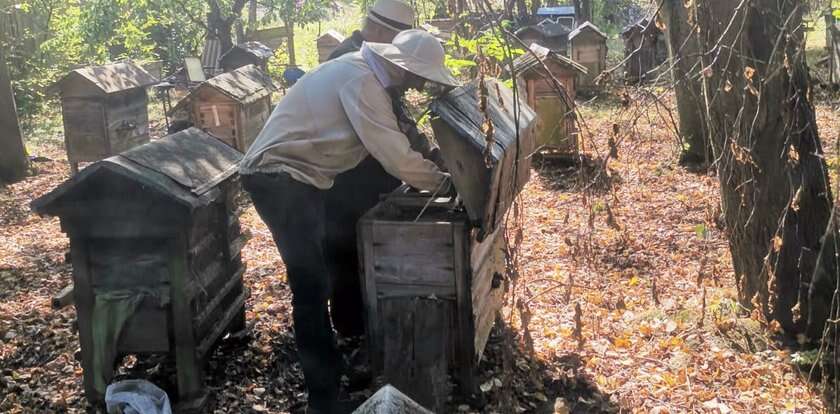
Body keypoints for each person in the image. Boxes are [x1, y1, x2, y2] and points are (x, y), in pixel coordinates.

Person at [239, 30, 458, 413]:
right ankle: (322, 399)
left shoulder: (359, 71)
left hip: (299, 179)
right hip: (280, 178)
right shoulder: (362, 81)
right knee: (310, 286)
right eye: (420, 76)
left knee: (323, 270)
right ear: (403, 68)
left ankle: (335, 362)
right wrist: (449, 183)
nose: (420, 84)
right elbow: (397, 158)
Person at [324, 0, 441, 341]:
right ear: (376, 30)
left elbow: (400, 121)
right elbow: (386, 137)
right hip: (343, 179)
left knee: (369, 253)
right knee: (344, 252)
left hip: (368, 172)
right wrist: (431, 175)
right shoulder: (355, 64)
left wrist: (428, 153)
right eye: (397, 39)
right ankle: (352, 333)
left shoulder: (381, 65)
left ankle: (369, 323)